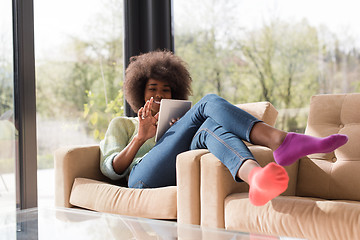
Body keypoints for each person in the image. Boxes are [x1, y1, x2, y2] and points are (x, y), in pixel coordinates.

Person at [100, 51, 348, 206]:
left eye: (166, 89)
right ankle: (281, 141)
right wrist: (140, 137)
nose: (159, 95)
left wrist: (175, 133)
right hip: (140, 178)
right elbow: (111, 169)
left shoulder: (176, 123)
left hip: (176, 171)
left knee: (208, 127)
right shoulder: (122, 124)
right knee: (207, 102)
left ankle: (256, 178)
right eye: (152, 88)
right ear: (140, 91)